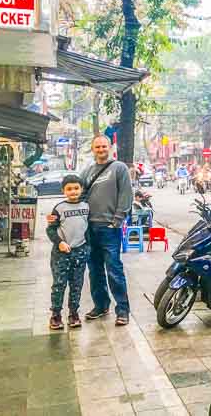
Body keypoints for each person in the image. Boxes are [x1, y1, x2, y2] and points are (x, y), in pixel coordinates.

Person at [80, 135, 133, 326]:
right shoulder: (86, 171)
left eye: (104, 146)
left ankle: (123, 310)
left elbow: (126, 195)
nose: (101, 149)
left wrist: (117, 220)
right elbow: (79, 195)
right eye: (97, 146)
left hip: (110, 228)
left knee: (114, 269)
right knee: (94, 270)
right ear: (93, 149)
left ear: (110, 148)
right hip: (89, 228)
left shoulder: (119, 168)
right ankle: (101, 305)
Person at [46, 175, 90, 330]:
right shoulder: (59, 209)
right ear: (63, 190)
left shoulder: (86, 206)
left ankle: (74, 313)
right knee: (59, 284)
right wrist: (60, 243)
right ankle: (56, 315)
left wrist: (87, 247)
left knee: (77, 284)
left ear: (81, 189)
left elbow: (88, 229)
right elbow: (50, 230)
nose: (73, 192)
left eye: (76, 188)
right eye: (69, 189)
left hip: (80, 252)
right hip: (61, 254)